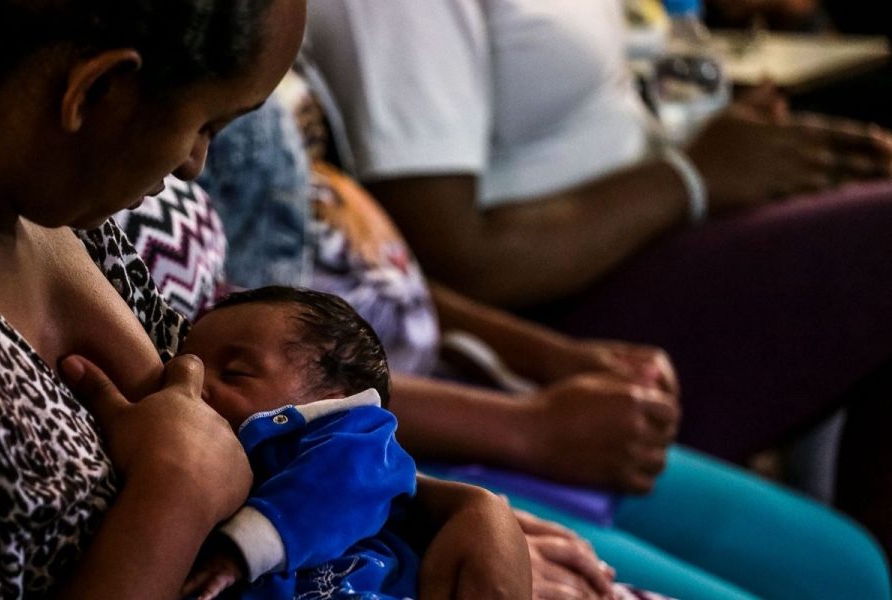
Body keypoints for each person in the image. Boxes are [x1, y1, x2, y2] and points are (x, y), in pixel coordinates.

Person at [0, 0, 539, 597]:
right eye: (205, 124)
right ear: (95, 93)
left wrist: (449, 509)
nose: (193, 167)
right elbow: (195, 455)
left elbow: (238, 426)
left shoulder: (22, 182)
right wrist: (172, 497)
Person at [196, 74, 892, 600]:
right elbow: (277, 372)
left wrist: (551, 360)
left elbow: (379, 276)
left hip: (448, 411)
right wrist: (527, 430)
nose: (195, 157)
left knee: (854, 570)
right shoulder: (196, 137)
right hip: (436, 444)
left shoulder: (272, 67)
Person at [302, 0, 892, 558]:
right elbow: (456, 258)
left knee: (852, 563)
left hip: (634, 240)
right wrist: (692, 177)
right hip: (550, 305)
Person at [179, 286, 418, 600]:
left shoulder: (360, 437)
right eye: (184, 364)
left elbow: (344, 480)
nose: (191, 380)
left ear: (334, 399)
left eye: (234, 373)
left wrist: (240, 549)